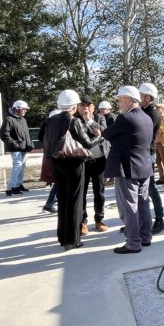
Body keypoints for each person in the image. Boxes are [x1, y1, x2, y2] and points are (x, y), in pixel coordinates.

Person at [42, 90, 102, 250]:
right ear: (74, 106)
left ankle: (62, 236)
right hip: (74, 164)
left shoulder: (51, 120)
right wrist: (99, 136)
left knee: (63, 200)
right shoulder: (73, 121)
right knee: (75, 201)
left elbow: (44, 139)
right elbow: (88, 143)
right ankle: (72, 239)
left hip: (57, 162)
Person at [103, 86, 154, 254]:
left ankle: (133, 243)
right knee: (143, 204)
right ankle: (145, 237)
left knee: (130, 207)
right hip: (144, 167)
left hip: (129, 169)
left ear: (129, 100)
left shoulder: (124, 118)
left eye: (120, 100)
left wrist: (100, 130)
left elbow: (107, 134)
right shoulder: (146, 118)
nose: (119, 103)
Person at [78, 96, 109, 233]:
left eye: (88, 106)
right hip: (83, 162)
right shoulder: (75, 121)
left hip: (99, 160)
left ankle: (99, 219)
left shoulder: (99, 118)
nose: (85, 108)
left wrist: (90, 121)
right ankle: (83, 221)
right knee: (82, 193)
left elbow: (104, 130)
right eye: (82, 105)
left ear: (93, 108)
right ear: (78, 107)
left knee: (99, 192)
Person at [139, 83, 164, 234]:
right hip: (142, 154)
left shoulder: (153, 113)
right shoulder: (143, 111)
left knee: (150, 188)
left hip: (148, 154)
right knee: (141, 189)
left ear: (148, 97)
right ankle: (140, 220)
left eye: (141, 96)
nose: (139, 99)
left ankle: (159, 220)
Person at [1, 100, 33, 196]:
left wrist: (29, 144)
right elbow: (4, 134)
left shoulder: (23, 119)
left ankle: (19, 185)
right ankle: (11, 187)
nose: (25, 111)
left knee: (22, 166)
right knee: (18, 165)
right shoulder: (9, 119)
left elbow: (26, 134)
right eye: (24, 109)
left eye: (25, 109)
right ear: (17, 109)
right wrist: (14, 144)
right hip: (15, 148)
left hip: (24, 147)